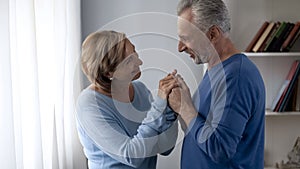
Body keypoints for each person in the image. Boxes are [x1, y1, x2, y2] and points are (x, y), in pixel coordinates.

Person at [168, 0, 266, 169]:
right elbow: (199, 133)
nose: (180, 47)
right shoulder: (215, 71)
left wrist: (185, 107)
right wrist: (183, 104)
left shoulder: (236, 77)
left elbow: (220, 148)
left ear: (213, 34)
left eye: (186, 38)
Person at [75, 30, 178, 169]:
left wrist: (170, 108)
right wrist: (159, 104)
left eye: (134, 52)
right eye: (129, 61)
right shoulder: (89, 105)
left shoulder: (140, 90)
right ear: (108, 73)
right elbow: (131, 156)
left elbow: (165, 148)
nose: (140, 61)